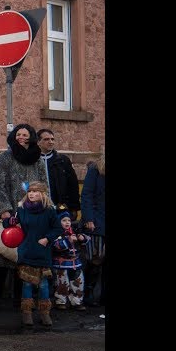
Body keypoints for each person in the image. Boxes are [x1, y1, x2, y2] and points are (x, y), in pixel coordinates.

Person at [0, 124, 48, 312]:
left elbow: (43, 186)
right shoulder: (4, 157)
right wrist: (5, 210)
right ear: (14, 137)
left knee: (24, 257)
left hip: (31, 214)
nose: (22, 137)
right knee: (3, 255)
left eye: (26, 134)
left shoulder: (38, 160)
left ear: (31, 138)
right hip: (9, 213)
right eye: (19, 134)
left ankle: (19, 298)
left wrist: (41, 207)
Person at [2, 181, 62, 328]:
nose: (32, 194)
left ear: (42, 194)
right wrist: (9, 220)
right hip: (27, 251)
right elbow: (7, 225)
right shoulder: (22, 209)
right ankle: (27, 313)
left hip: (43, 252)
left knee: (42, 285)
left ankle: (44, 313)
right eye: (30, 192)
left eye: (35, 192)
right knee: (27, 284)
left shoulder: (49, 210)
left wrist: (47, 238)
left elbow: (58, 229)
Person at [80, 147, 105, 307]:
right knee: (95, 259)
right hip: (97, 220)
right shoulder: (95, 169)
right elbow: (87, 195)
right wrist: (89, 218)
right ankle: (88, 292)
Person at [37, 129, 80, 215]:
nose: (50, 142)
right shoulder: (32, 160)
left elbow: (73, 185)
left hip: (60, 207)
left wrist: (73, 207)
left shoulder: (63, 160)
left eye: (52, 139)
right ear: (38, 142)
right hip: (38, 208)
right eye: (46, 139)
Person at [51, 212, 89, 310]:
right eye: (64, 220)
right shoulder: (56, 233)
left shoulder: (74, 231)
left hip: (75, 263)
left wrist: (82, 238)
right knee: (62, 283)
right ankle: (61, 301)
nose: (67, 223)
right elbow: (56, 246)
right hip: (61, 264)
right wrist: (68, 241)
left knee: (78, 282)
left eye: (68, 220)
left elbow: (87, 239)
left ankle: (77, 302)